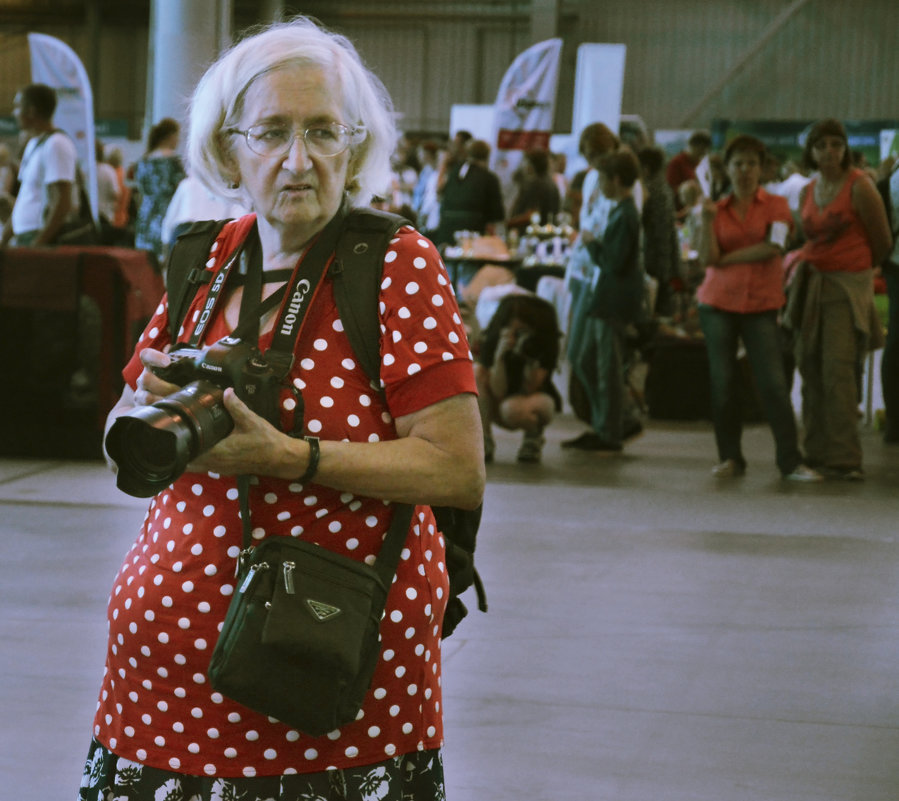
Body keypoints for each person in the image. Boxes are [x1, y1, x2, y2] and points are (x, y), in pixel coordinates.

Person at [78, 16, 484, 801]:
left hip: (321, 671)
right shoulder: (208, 257)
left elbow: (456, 468)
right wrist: (145, 412)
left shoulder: (393, 264)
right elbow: (123, 422)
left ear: (355, 146)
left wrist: (289, 456)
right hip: (158, 687)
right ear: (231, 148)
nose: (299, 159)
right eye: (272, 132)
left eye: (323, 131)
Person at [696, 135, 821, 481]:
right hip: (717, 303)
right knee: (723, 383)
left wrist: (728, 257)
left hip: (761, 304)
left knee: (772, 382)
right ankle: (730, 458)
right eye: (738, 164)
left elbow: (773, 248)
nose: (745, 171)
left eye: (752, 164)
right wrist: (705, 222)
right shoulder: (715, 210)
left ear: (762, 168)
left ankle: (790, 462)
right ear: (728, 168)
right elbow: (707, 258)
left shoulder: (777, 205)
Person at [790, 118, 892, 479]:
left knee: (839, 370)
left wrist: (859, 270)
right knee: (810, 365)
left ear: (846, 149)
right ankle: (815, 450)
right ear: (812, 151)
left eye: (836, 144)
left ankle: (846, 457)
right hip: (812, 285)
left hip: (846, 287)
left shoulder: (860, 187)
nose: (830, 152)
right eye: (822, 146)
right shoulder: (807, 190)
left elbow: (882, 241)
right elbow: (803, 236)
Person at [564, 148, 645, 451]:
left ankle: (610, 430)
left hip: (613, 299)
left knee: (606, 366)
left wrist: (592, 244)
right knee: (587, 360)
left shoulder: (625, 214)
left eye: (603, 180)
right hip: (606, 296)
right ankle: (606, 423)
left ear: (615, 179)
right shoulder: (621, 211)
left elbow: (614, 261)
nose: (600, 187)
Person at [475, 293, 562, 463]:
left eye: (524, 331)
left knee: (512, 409)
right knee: (475, 372)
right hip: (497, 401)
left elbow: (532, 387)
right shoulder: (496, 339)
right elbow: (498, 391)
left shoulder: (540, 343)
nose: (518, 335)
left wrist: (527, 358)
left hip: (527, 401)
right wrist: (500, 357)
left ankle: (533, 438)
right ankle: (484, 440)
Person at [1, 83, 77, 247]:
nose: (14, 113)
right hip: (24, 236)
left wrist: (40, 242)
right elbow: (24, 198)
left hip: (37, 236)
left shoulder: (57, 144)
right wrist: (5, 238)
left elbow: (63, 201)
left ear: (31, 110)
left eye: (17, 106)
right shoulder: (34, 144)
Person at [432, 138, 505, 247]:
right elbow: (497, 214)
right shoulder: (489, 178)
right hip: (473, 235)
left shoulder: (455, 173)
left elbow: (438, 193)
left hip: (446, 232)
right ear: (487, 156)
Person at [134, 116, 186, 267]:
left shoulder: (143, 161)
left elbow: (140, 190)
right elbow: (182, 189)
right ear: (171, 136)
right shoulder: (174, 161)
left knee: (146, 265)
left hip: (146, 215)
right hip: (167, 214)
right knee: (167, 264)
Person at [638, 145, 681, 317]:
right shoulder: (663, 187)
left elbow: (656, 232)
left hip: (653, 259)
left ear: (645, 169)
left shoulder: (649, 190)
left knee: (654, 310)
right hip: (664, 258)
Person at [506, 148, 561, 235]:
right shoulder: (551, 184)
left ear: (531, 165)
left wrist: (509, 223)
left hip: (533, 235)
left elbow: (532, 214)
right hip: (547, 232)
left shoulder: (536, 184)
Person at [666, 129, 712, 209]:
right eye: (700, 150)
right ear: (692, 146)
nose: (702, 154)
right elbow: (671, 188)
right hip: (680, 209)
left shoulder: (699, 164)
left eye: (704, 152)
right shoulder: (676, 163)